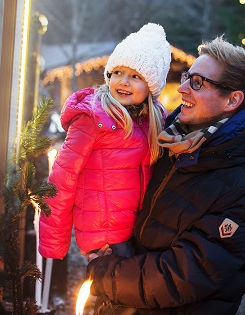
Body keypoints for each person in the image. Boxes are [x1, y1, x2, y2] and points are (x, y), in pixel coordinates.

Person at [83, 36, 245, 315]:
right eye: (187, 76)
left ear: (232, 101)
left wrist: (103, 272)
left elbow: (185, 274)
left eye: (198, 83)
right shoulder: (171, 143)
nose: (183, 88)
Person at [38, 23, 171, 260]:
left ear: (151, 85)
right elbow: (62, 179)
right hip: (105, 239)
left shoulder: (156, 120)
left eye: (135, 76)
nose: (123, 81)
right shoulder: (93, 119)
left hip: (140, 230)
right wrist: (53, 245)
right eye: (117, 72)